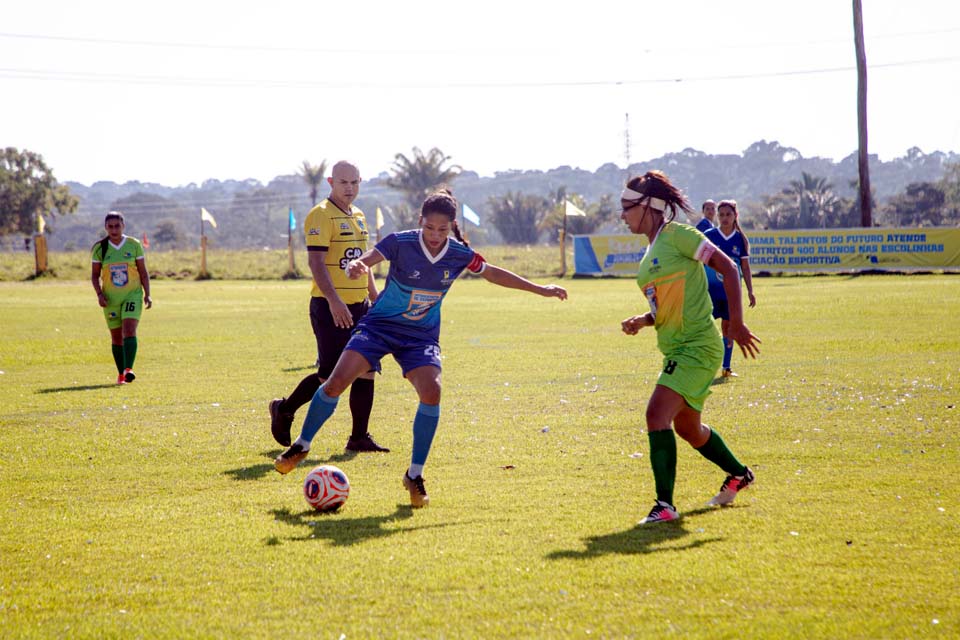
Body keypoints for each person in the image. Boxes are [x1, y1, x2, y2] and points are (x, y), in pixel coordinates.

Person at [274, 189, 568, 508]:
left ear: (452, 226)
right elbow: (373, 255)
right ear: (420, 222)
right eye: (429, 228)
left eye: (442, 230)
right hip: (380, 327)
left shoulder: (458, 253)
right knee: (335, 382)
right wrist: (360, 264)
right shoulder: (401, 241)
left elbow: (493, 272)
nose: (435, 236)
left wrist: (541, 289)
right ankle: (302, 445)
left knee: (432, 391)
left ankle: (414, 475)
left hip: (420, 337)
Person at [618, 171, 761, 525]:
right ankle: (739, 474)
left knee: (655, 415)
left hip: (697, 346)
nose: (622, 216)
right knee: (688, 429)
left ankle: (664, 506)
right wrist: (643, 320)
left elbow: (727, 268)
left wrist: (737, 322)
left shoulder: (678, 235)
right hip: (676, 348)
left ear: (649, 206)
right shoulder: (650, 251)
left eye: (626, 208)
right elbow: (662, 308)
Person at [268, 161, 388, 453]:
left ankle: (358, 437)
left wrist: (374, 297)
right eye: (344, 182)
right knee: (329, 376)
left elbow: (362, 262)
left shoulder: (358, 215)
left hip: (360, 307)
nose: (350, 188)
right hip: (329, 306)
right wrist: (334, 301)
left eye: (355, 183)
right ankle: (284, 408)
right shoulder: (320, 215)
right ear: (331, 182)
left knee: (367, 369)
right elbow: (316, 263)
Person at [90, 211, 152, 385]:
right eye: (110, 226)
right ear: (105, 227)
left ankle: (128, 369)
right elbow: (95, 276)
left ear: (123, 225)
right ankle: (121, 374)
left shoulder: (133, 245)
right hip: (110, 299)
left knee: (129, 331)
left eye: (117, 226)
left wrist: (148, 294)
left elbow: (143, 272)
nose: (114, 229)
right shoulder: (100, 248)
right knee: (117, 338)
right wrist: (99, 295)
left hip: (132, 295)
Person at [704, 199, 757, 377]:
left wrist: (750, 290)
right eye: (721, 215)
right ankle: (704, 364)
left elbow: (745, 268)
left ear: (735, 216)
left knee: (728, 328)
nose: (724, 218)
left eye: (728, 214)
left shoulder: (740, 239)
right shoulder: (709, 235)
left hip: (730, 294)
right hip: (709, 292)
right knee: (704, 328)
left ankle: (726, 368)